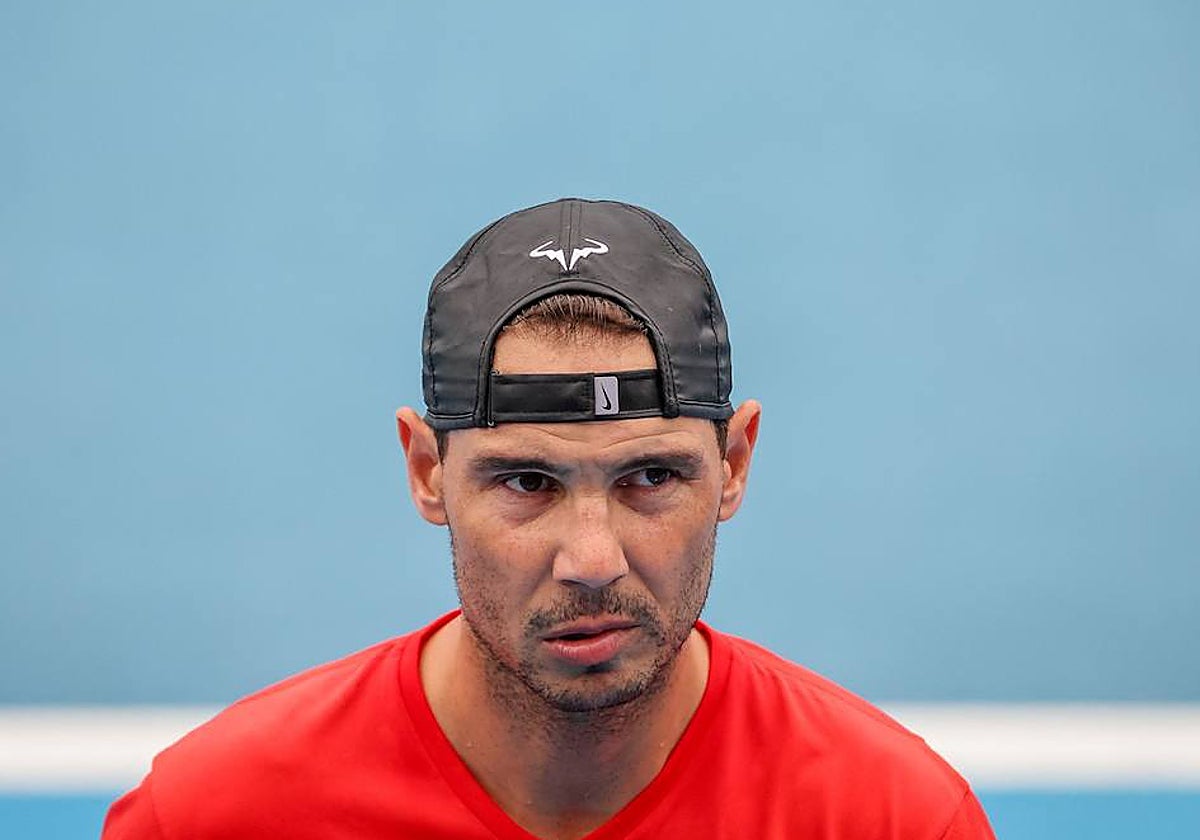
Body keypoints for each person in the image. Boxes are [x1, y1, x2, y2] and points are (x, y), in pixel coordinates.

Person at [102, 198, 995, 839]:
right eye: (526, 482)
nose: (592, 559)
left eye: (651, 476)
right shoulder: (212, 819)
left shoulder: (893, 819)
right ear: (426, 472)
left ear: (733, 463)